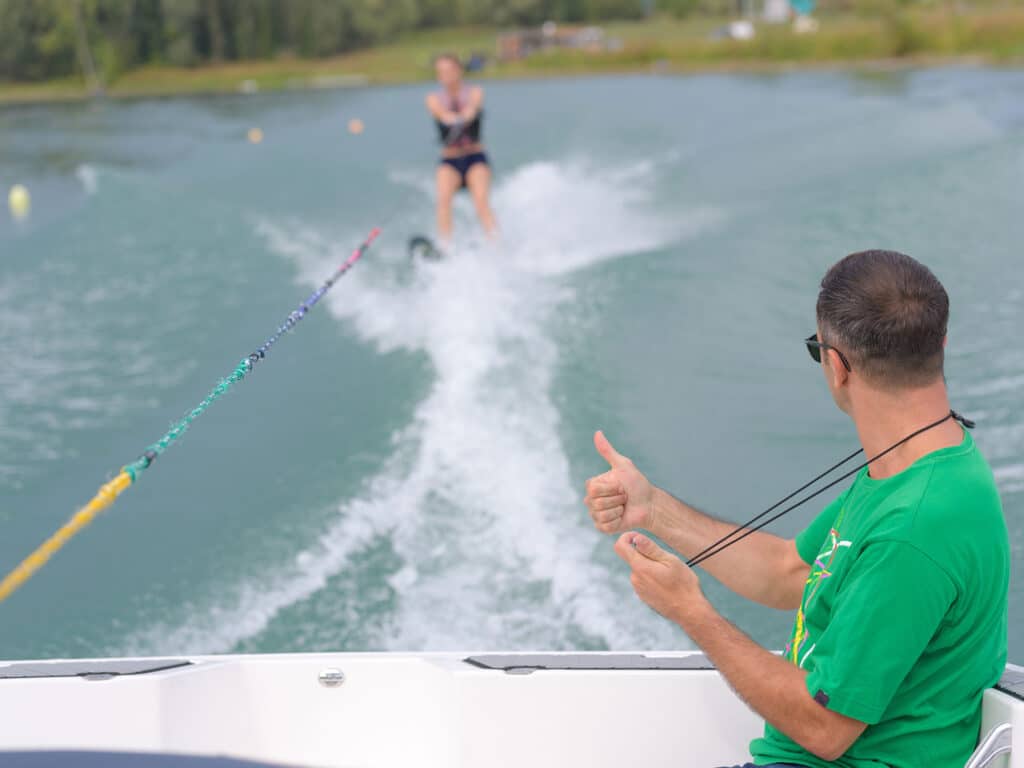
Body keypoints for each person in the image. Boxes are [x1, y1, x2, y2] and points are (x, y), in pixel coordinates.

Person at [583, 250, 1009, 767]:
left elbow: (825, 727)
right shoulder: (922, 467)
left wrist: (690, 611)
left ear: (836, 365)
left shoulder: (914, 525)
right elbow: (793, 572)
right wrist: (654, 510)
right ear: (940, 343)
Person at [425, 53, 497, 242]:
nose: (445, 75)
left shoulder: (475, 91)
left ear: (459, 71)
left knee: (481, 201)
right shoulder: (433, 98)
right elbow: (440, 113)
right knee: (443, 200)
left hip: (475, 157)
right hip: (450, 159)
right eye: (440, 72)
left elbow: (473, 108)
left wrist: (466, 115)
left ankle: (496, 243)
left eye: (449, 70)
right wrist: (449, 118)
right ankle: (446, 247)